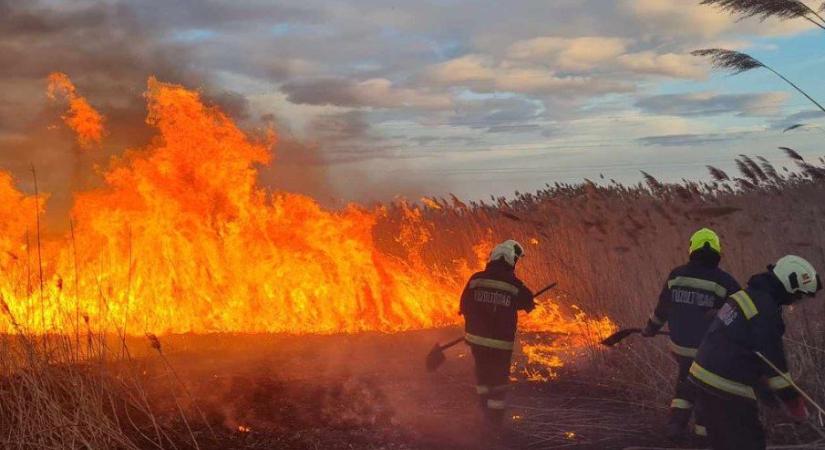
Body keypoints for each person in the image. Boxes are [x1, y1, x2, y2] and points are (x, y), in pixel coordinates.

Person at [688, 255, 821, 450]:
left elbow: (744, 349)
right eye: (798, 295)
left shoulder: (750, 295)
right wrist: (794, 403)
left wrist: (767, 396)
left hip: (703, 377)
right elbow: (774, 364)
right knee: (750, 443)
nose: (796, 301)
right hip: (727, 386)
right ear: (789, 285)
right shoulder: (765, 309)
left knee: (721, 443)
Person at [641, 228, 741, 439]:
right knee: (707, 389)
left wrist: (650, 328)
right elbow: (740, 312)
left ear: (692, 249)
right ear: (717, 251)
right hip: (708, 351)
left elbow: (662, 309)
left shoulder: (676, 276)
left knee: (686, 380)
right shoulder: (725, 282)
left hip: (680, 347)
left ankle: (675, 425)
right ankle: (703, 435)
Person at [459, 239, 534, 427]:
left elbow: (463, 305)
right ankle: (494, 422)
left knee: (482, 374)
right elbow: (528, 302)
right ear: (510, 261)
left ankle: (484, 409)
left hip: (476, 341)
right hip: (500, 344)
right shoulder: (513, 283)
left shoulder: (476, 279)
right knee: (498, 380)